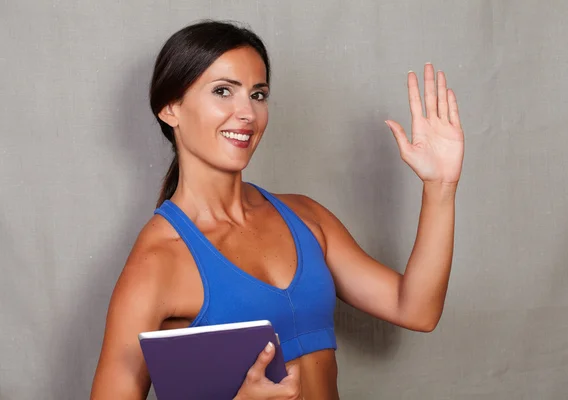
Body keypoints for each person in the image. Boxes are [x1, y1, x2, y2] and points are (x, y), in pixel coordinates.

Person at [90, 20, 464, 400]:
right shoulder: (157, 259)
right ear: (171, 109)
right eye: (223, 91)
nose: (247, 113)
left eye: (258, 95)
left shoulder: (305, 217)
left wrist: (440, 187)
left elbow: (416, 309)